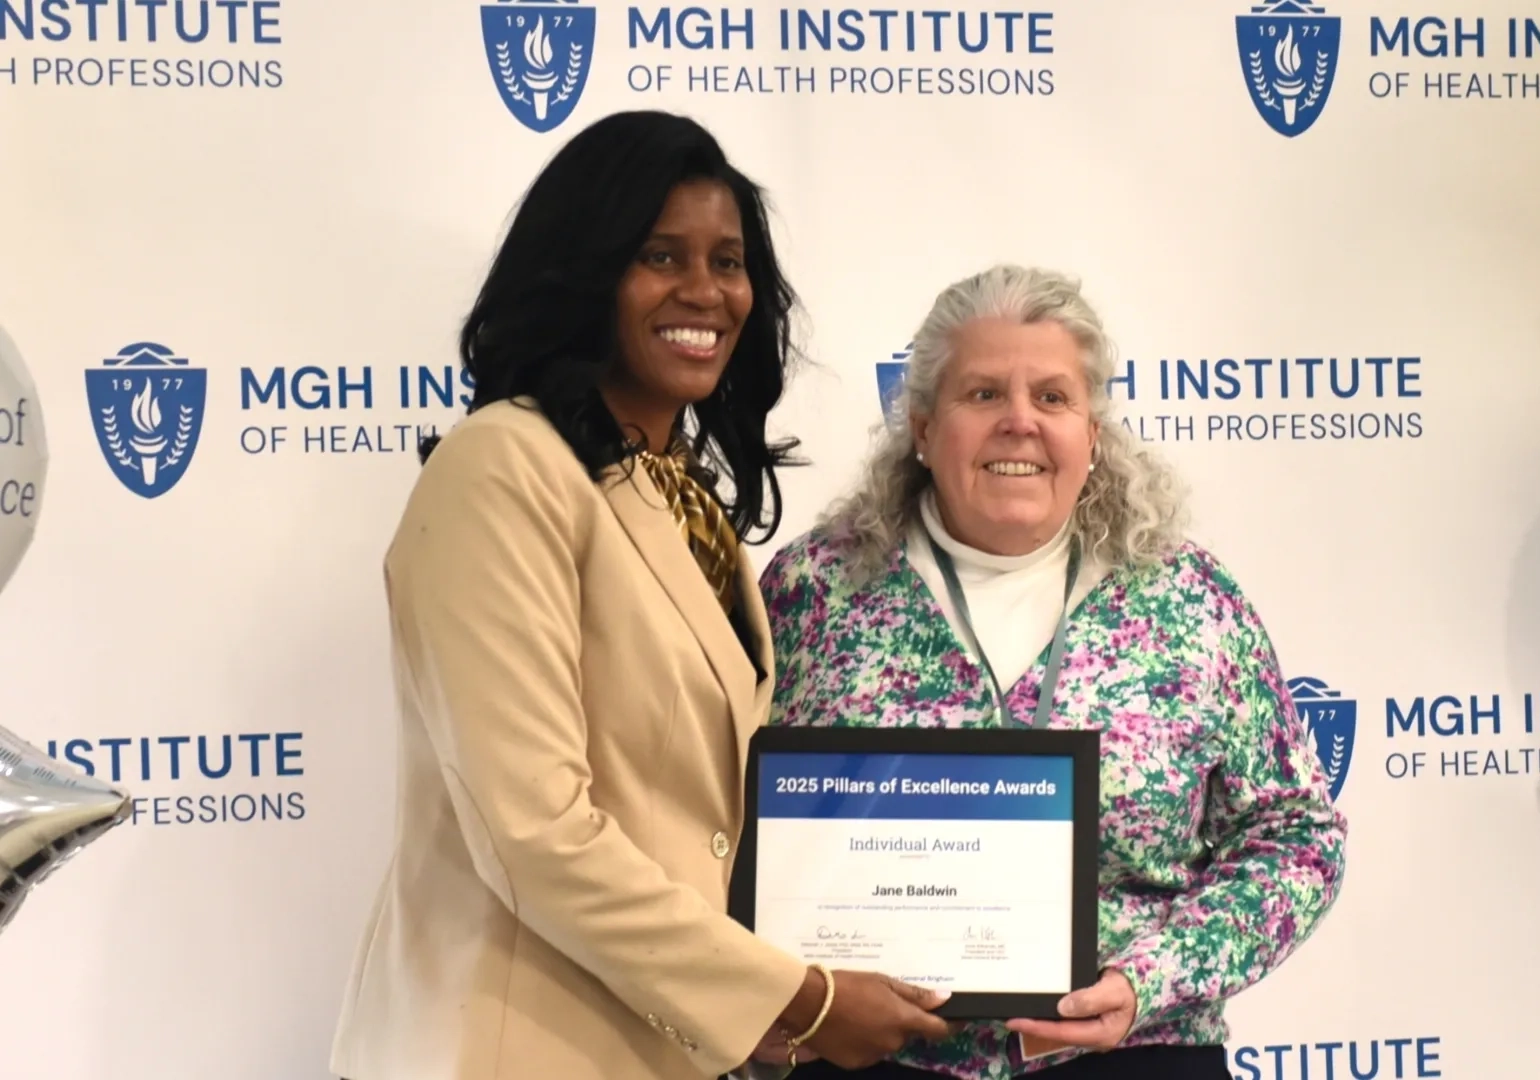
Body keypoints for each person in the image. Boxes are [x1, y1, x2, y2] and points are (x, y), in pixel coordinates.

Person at [327, 111, 951, 1080]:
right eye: (661, 256)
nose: (706, 291)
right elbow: (535, 833)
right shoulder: (502, 467)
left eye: (728, 261)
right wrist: (803, 996)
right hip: (512, 1045)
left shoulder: (674, 495)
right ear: (586, 272)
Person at [758, 265, 1348, 1079]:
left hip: (1130, 1052)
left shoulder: (1187, 599)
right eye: (982, 395)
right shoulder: (815, 590)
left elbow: (1297, 836)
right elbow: (715, 812)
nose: (1019, 423)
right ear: (923, 429)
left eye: (1053, 398)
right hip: (871, 1056)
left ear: (1093, 434)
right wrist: (764, 996)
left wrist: (1151, 979)